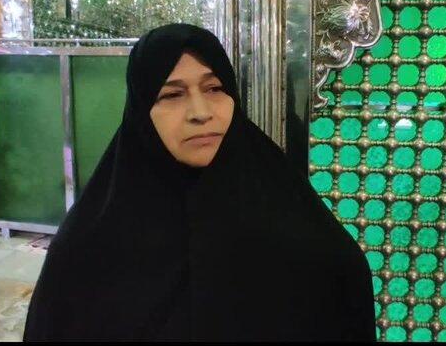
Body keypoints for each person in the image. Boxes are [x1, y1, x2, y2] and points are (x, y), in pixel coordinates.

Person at [23, 24, 375, 341]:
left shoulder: (281, 205)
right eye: (172, 94)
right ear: (141, 110)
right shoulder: (89, 248)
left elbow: (342, 280)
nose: (201, 112)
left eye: (214, 88)